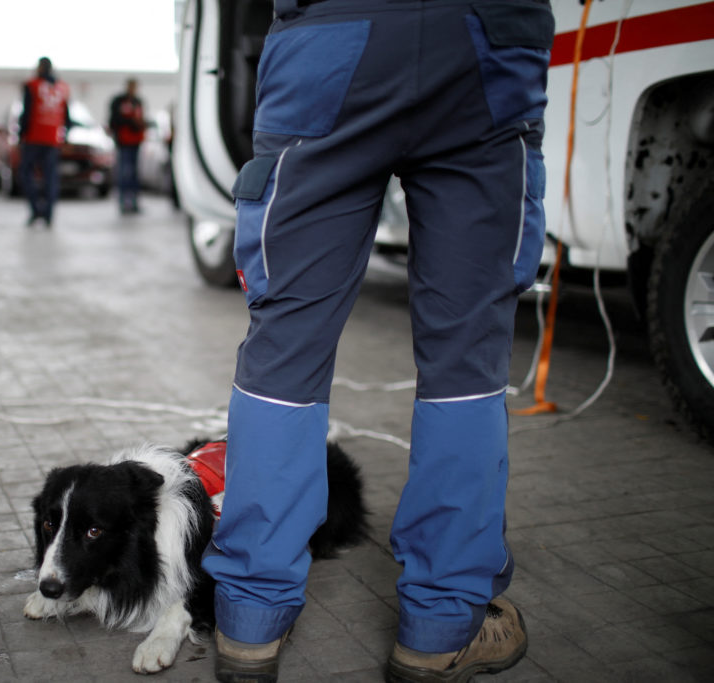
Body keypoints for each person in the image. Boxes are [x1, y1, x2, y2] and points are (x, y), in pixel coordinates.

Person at [201, 1, 554, 682]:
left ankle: (249, 619)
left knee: (285, 346)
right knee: (467, 357)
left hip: (329, 37)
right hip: (482, 39)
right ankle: (441, 628)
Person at [17, 57, 69, 227]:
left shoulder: (32, 85)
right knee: (50, 178)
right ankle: (48, 214)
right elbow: (66, 116)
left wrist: (20, 135)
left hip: (33, 138)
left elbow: (27, 112)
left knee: (26, 174)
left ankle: (36, 209)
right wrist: (64, 135)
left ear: (39, 68)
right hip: (53, 139)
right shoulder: (62, 87)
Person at [108, 78, 146, 214]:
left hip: (136, 142)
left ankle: (134, 202)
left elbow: (142, 119)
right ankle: (123, 202)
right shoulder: (119, 101)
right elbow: (114, 120)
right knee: (124, 172)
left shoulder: (138, 102)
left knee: (134, 173)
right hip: (123, 142)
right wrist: (130, 122)